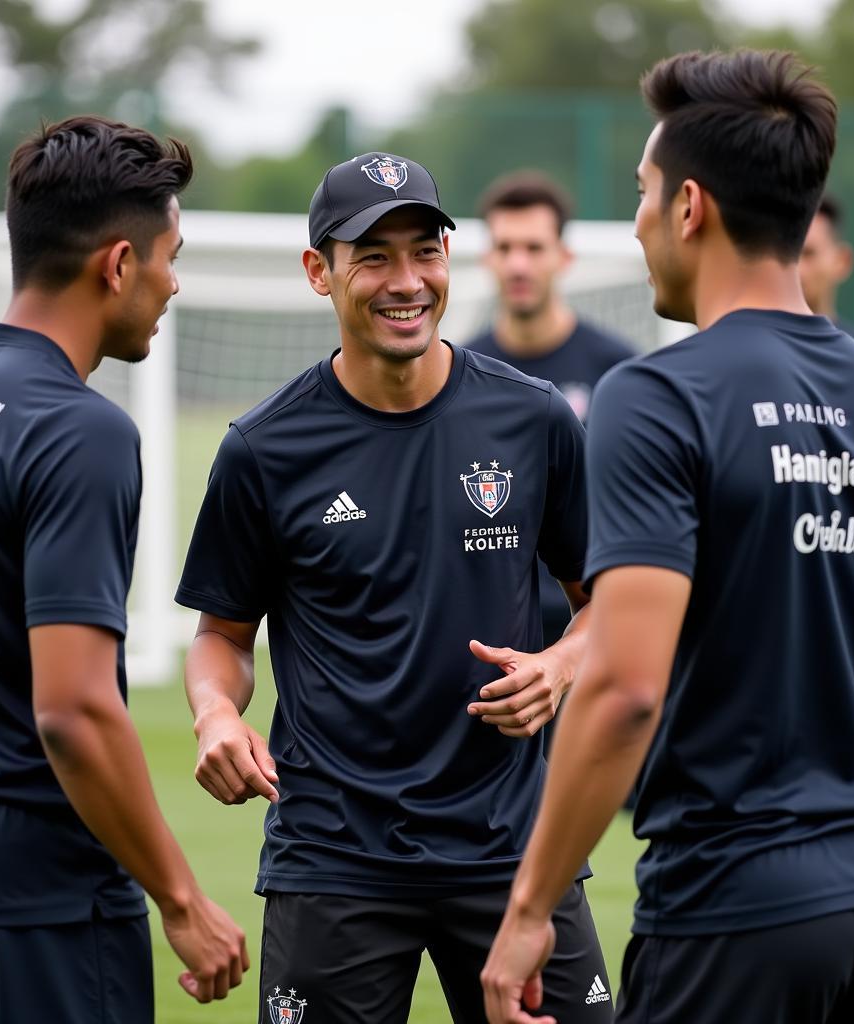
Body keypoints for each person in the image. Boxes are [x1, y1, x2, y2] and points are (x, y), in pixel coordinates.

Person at [482, 49, 854, 1024]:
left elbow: (622, 689)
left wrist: (530, 908)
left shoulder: (658, 396)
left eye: (642, 192)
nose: (637, 219)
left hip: (735, 906)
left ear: (689, 207)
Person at [175, 151, 614, 1023]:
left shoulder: (533, 421)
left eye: (425, 251)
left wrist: (562, 666)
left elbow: (605, 601)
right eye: (373, 256)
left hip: (510, 849)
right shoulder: (264, 448)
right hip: (334, 857)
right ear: (319, 272)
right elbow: (221, 635)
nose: (406, 281)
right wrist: (217, 714)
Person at [0, 115, 249, 1024]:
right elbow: (72, 710)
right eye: (169, 256)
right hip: (28, 885)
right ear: (117, 264)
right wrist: (182, 901)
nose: (174, 281)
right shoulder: (81, 432)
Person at [467, 171, 636, 651]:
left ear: (564, 257)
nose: (518, 264)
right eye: (504, 247)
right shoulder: (457, 375)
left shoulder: (619, 371)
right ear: (487, 258)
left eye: (534, 248)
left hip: (594, 625)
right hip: (489, 635)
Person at [800, 193, 854, 348]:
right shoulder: (753, 347)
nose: (796, 267)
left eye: (808, 254)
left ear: (842, 262)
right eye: (789, 254)